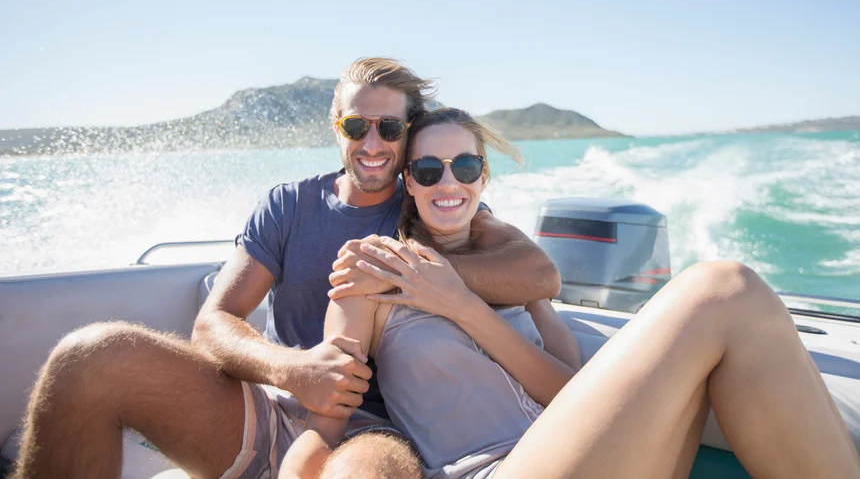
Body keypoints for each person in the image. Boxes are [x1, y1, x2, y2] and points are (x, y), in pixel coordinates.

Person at [12, 59, 561, 479]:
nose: (371, 144)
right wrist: (292, 371)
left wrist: (422, 277)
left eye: (389, 129)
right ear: (335, 126)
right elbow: (215, 322)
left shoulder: (430, 199)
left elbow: (538, 276)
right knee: (89, 357)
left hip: (368, 429)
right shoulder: (288, 205)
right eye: (355, 125)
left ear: (409, 134)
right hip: (266, 401)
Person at [280, 108, 860, 479]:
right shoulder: (373, 271)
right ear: (409, 181)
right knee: (723, 288)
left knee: (734, 307)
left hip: (584, 455)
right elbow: (325, 423)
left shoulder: (521, 277)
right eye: (428, 169)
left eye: (464, 165)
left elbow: (566, 391)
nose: (447, 181)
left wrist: (459, 301)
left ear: (484, 177)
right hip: (486, 470)